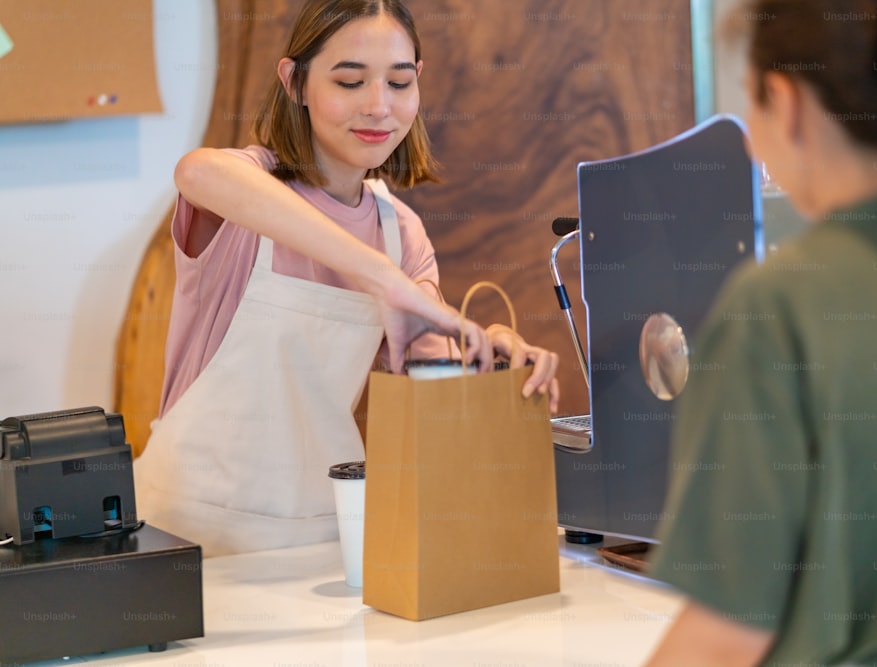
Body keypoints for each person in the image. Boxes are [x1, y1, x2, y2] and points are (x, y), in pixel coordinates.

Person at [642, 0, 877, 665]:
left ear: (787, 101)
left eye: (752, 105)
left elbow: (722, 641)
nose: (751, 140)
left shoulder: (778, 310)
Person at [133, 0, 559, 557]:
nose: (379, 106)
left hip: (326, 535)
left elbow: (433, 380)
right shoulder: (244, 190)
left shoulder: (399, 232)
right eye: (350, 81)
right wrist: (382, 278)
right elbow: (196, 171)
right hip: (186, 532)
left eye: (399, 83)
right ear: (296, 83)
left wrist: (494, 358)